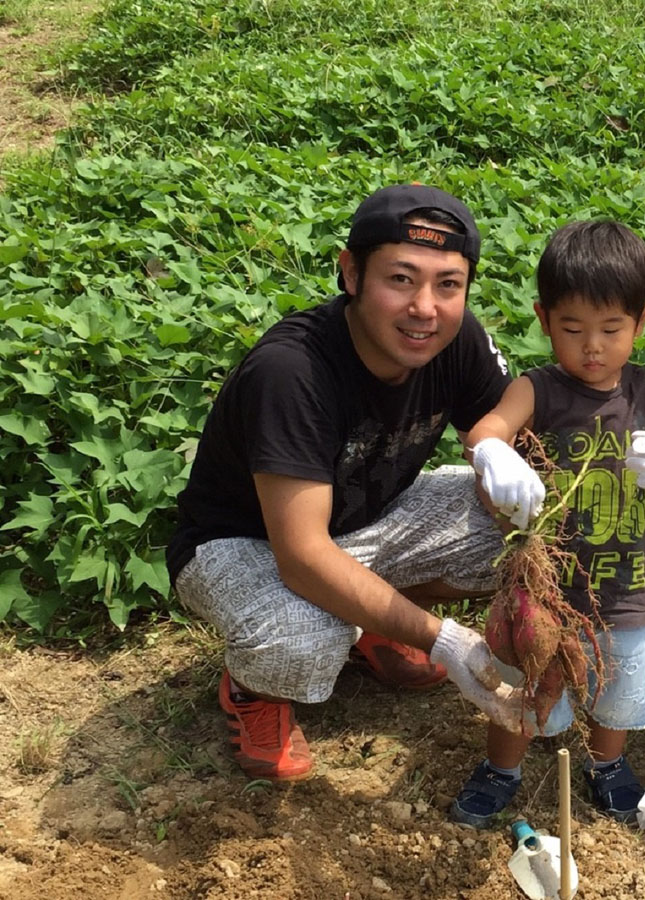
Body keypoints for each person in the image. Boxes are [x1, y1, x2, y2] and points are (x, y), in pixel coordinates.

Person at [167, 183, 526, 782]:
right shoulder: (293, 371)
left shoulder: (453, 339)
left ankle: (371, 625)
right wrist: (448, 642)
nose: (425, 308)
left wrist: (497, 456)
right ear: (351, 273)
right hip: (244, 547)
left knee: (514, 527)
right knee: (299, 636)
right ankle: (255, 688)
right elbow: (302, 557)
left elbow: (511, 419)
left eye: (448, 284)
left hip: (363, 523)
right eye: (401, 279)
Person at [448, 220, 645, 828]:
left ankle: (606, 764)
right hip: (546, 589)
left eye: (611, 330)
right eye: (572, 329)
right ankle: (501, 769)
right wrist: (493, 452)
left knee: (619, 689)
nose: (592, 347)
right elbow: (488, 428)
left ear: (640, 323)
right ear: (543, 317)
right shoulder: (538, 389)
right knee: (526, 682)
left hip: (629, 581)